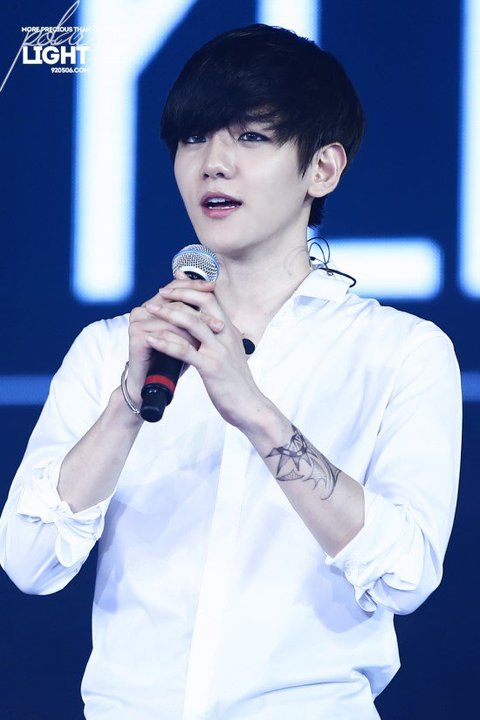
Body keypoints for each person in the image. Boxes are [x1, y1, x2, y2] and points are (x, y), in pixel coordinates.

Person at [0, 24, 461, 720]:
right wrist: (127, 403)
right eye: (194, 138)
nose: (213, 164)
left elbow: (406, 574)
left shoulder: (400, 352)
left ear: (322, 169)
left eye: (251, 136)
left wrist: (255, 410)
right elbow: (30, 561)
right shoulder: (110, 349)